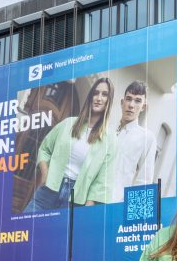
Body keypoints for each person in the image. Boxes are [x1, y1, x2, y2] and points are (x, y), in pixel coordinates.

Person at [26, 76, 116, 210]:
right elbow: (45, 149)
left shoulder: (110, 139)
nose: (99, 98)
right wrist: (45, 174)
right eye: (96, 93)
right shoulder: (68, 124)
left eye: (104, 94)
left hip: (75, 201)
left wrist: (88, 206)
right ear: (90, 96)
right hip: (48, 191)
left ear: (109, 100)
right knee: (26, 228)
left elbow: (103, 179)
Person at [112, 80, 156, 203]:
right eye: (129, 99)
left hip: (116, 203)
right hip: (89, 202)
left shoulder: (147, 138)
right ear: (122, 102)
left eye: (137, 101)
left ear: (144, 107)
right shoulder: (107, 129)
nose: (131, 105)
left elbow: (144, 181)